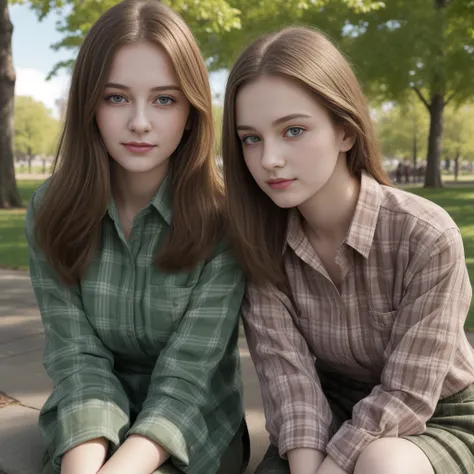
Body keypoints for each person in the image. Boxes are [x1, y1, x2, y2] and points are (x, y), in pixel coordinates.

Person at [221, 26, 474, 474]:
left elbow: (409, 393)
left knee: (382, 463)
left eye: (293, 130)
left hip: (438, 412)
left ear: (345, 131)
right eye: (251, 138)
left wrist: (334, 467)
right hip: (328, 409)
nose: (269, 159)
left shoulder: (426, 235)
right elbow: (291, 383)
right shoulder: (259, 242)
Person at [25, 1, 249, 473]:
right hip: (88, 421)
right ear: (89, 105)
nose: (140, 122)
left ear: (191, 110)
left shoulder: (224, 218)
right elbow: (76, 357)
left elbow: (187, 379)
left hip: (194, 425)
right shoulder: (51, 210)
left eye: (164, 99)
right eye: (116, 97)